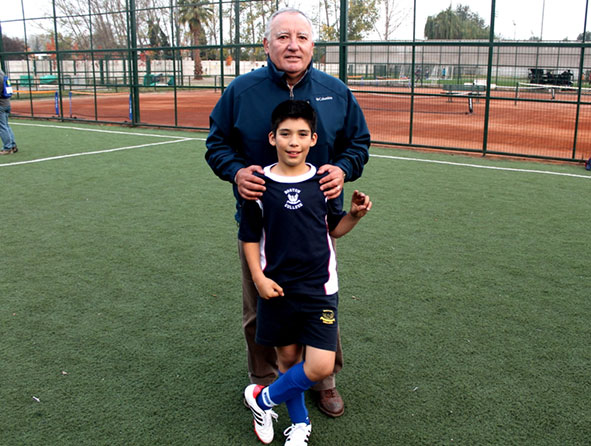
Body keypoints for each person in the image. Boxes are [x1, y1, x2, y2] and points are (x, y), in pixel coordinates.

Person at [205, 7, 370, 417]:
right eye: (282, 37)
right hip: (262, 227)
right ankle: (264, 383)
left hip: (317, 223)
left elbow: (359, 144)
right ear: (266, 44)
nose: (292, 44)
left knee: (321, 301)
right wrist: (236, 171)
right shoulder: (242, 91)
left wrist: (343, 168)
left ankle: (323, 380)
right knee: (259, 306)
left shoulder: (336, 92)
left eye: (301, 37)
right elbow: (216, 143)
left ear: (313, 45)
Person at [240, 100, 372, 445]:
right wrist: (258, 278)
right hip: (278, 289)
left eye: (301, 134)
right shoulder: (259, 186)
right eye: (285, 134)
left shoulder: (326, 181)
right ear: (272, 138)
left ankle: (262, 399)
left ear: (313, 139)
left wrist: (354, 216)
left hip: (320, 288)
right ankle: (299, 423)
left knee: (319, 366)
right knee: (287, 358)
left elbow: (333, 229)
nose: (293, 141)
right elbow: (250, 238)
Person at [0, 67, 18, 156]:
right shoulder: (3, 74)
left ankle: (8, 147)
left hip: (1, 104)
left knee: (2, 127)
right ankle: (12, 145)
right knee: (6, 125)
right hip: (6, 103)